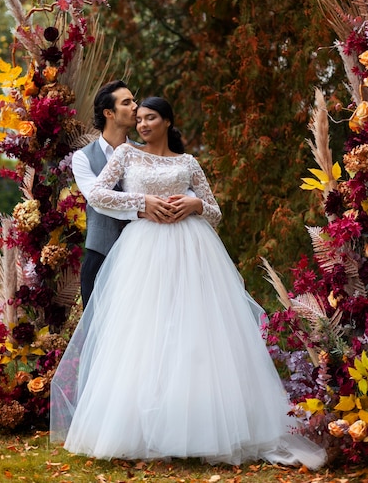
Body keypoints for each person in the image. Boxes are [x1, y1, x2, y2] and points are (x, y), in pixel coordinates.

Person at [51, 97, 326, 469]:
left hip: (191, 251)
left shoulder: (188, 162)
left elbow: (214, 210)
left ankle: (200, 425)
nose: (143, 124)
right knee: (144, 333)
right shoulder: (127, 156)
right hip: (143, 249)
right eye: (140, 118)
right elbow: (97, 193)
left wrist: (194, 206)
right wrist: (142, 200)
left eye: (150, 119)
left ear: (166, 122)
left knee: (194, 333)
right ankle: (139, 428)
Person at [73, 81, 177, 308]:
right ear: (109, 113)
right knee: (99, 337)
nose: (136, 107)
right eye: (127, 102)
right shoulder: (82, 158)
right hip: (100, 255)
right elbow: (97, 198)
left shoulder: (145, 151)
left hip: (146, 257)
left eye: (134, 101)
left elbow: (171, 183)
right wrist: (143, 203)